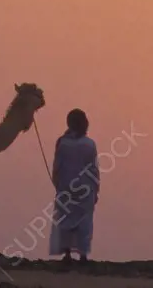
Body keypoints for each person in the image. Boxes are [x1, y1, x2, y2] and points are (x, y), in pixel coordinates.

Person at [48, 108, 100, 263]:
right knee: (84, 222)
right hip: (85, 190)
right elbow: (94, 170)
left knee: (65, 221)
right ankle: (83, 255)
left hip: (66, 188)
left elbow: (57, 166)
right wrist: (96, 190)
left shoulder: (62, 143)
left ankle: (67, 255)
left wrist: (57, 184)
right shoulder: (89, 144)